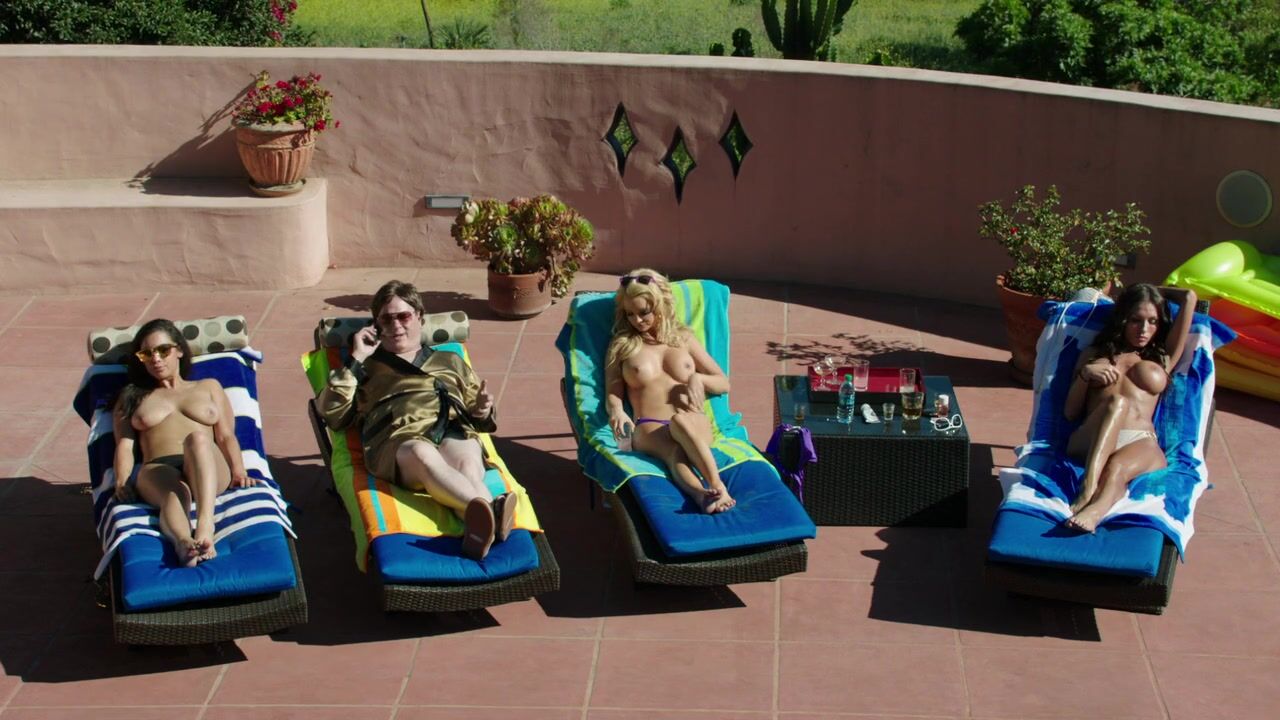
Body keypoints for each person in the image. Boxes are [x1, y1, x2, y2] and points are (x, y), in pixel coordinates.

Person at [317, 280, 515, 560]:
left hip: (452, 428)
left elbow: (479, 416)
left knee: (469, 463)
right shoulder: (366, 366)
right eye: (386, 319)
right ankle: (492, 509)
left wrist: (482, 410)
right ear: (376, 325)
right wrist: (357, 356)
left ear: (420, 317)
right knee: (423, 454)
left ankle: (479, 530)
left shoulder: (450, 360)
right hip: (399, 438)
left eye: (404, 316)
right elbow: (333, 414)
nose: (396, 325)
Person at [112, 319, 258, 567]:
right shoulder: (131, 396)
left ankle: (205, 526)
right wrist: (121, 481)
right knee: (173, 495)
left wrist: (239, 471)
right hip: (158, 468)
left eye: (163, 350)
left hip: (207, 464)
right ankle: (184, 544)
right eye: (146, 354)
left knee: (198, 439)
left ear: (179, 350)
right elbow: (124, 445)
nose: (156, 359)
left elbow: (225, 436)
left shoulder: (208, 386)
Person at [1063, 283, 1197, 532]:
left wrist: (1153, 290)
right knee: (1117, 403)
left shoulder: (1162, 358)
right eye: (1136, 320)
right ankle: (1089, 485)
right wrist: (1085, 375)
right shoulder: (1094, 354)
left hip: (1139, 441)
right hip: (1091, 437)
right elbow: (1070, 413)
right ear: (1122, 319)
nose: (1144, 329)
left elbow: (1189, 297)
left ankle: (1095, 512)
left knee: (1117, 470)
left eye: (1153, 321)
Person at [605, 269, 736, 514]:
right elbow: (613, 390)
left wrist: (698, 379)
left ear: (660, 305)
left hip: (692, 420)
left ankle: (717, 486)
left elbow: (722, 383)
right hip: (649, 427)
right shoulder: (622, 345)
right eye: (630, 314)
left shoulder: (683, 339)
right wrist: (617, 411)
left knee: (680, 422)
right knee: (674, 451)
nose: (637, 321)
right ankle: (702, 495)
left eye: (644, 312)